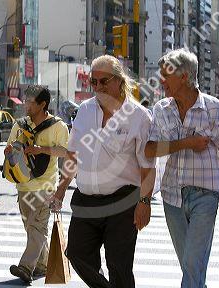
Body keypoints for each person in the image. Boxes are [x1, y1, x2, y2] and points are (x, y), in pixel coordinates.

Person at [51, 55, 156, 288]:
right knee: (76, 253)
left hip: (123, 201)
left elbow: (148, 166)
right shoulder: (85, 110)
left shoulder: (139, 116)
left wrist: (145, 202)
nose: (98, 87)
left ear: (119, 81)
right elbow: (73, 154)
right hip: (86, 199)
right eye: (93, 82)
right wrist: (60, 190)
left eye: (104, 81)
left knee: (119, 265)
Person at [145, 49, 219, 288]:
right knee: (191, 266)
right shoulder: (161, 109)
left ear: (185, 76)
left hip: (205, 195)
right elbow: (150, 150)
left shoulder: (215, 109)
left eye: (166, 74)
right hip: (171, 196)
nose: (161, 81)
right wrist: (187, 143)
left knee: (191, 264)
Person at [5, 85, 69, 283]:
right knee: (32, 229)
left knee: (38, 228)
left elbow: (66, 152)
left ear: (43, 104)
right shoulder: (20, 124)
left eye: (31, 102)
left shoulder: (58, 126)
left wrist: (42, 149)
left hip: (46, 186)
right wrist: (10, 152)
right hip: (23, 185)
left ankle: (26, 267)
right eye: (26, 101)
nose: (26, 105)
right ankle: (43, 264)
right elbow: (9, 147)